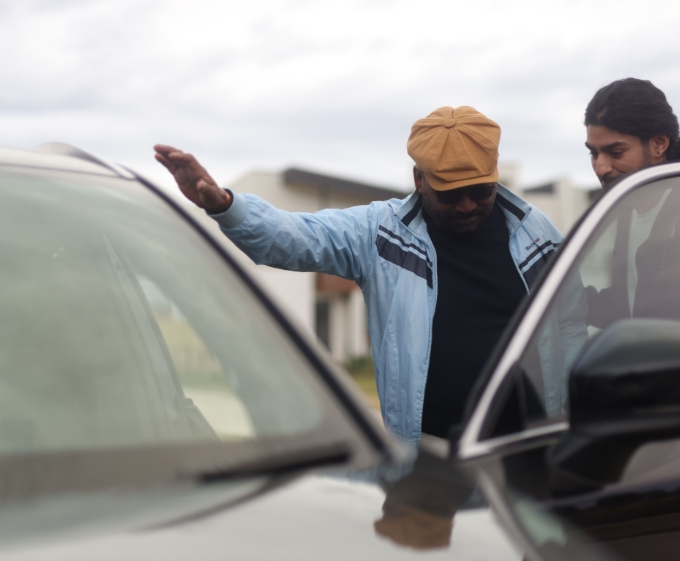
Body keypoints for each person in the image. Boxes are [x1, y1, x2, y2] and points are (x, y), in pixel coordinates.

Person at [155, 106, 585, 444]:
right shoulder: (379, 234)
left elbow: (570, 330)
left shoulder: (539, 235)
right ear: (419, 179)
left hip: (526, 452)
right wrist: (225, 206)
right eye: (452, 194)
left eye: (481, 190)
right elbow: (296, 238)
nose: (468, 205)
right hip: (430, 460)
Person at [581, 78, 680, 328]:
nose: (600, 167)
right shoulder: (627, 209)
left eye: (616, 152)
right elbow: (629, 305)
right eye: (593, 153)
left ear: (659, 144)